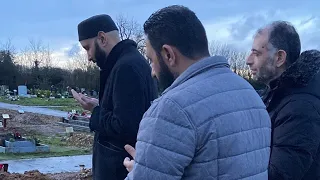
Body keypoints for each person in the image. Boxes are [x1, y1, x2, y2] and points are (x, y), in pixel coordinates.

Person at [123, 5, 271, 180]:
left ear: (168, 54)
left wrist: (138, 172)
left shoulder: (171, 109)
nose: (152, 72)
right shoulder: (250, 94)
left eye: (151, 59)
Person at [73, 14, 158, 180]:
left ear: (102, 38)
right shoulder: (127, 62)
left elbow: (125, 126)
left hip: (119, 170)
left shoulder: (126, 67)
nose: (89, 57)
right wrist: (99, 105)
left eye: (87, 48)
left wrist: (96, 111)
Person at [246, 21, 320, 180]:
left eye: (256, 53)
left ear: (279, 57)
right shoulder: (279, 95)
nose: (248, 60)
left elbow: (279, 175)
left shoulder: (300, 107)